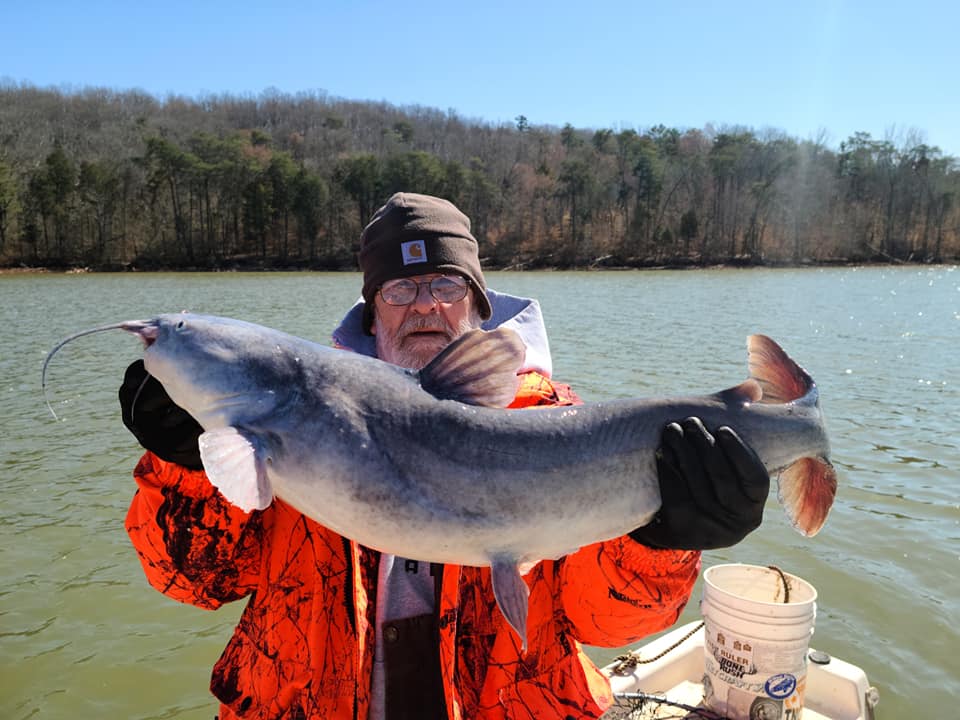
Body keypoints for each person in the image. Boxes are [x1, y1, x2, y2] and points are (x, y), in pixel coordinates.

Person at [120, 192, 770, 720]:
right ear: (372, 313)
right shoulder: (293, 417)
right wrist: (184, 463)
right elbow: (193, 580)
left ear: (479, 305)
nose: (425, 303)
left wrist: (663, 540)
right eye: (400, 289)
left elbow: (610, 621)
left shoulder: (555, 428)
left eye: (444, 283)